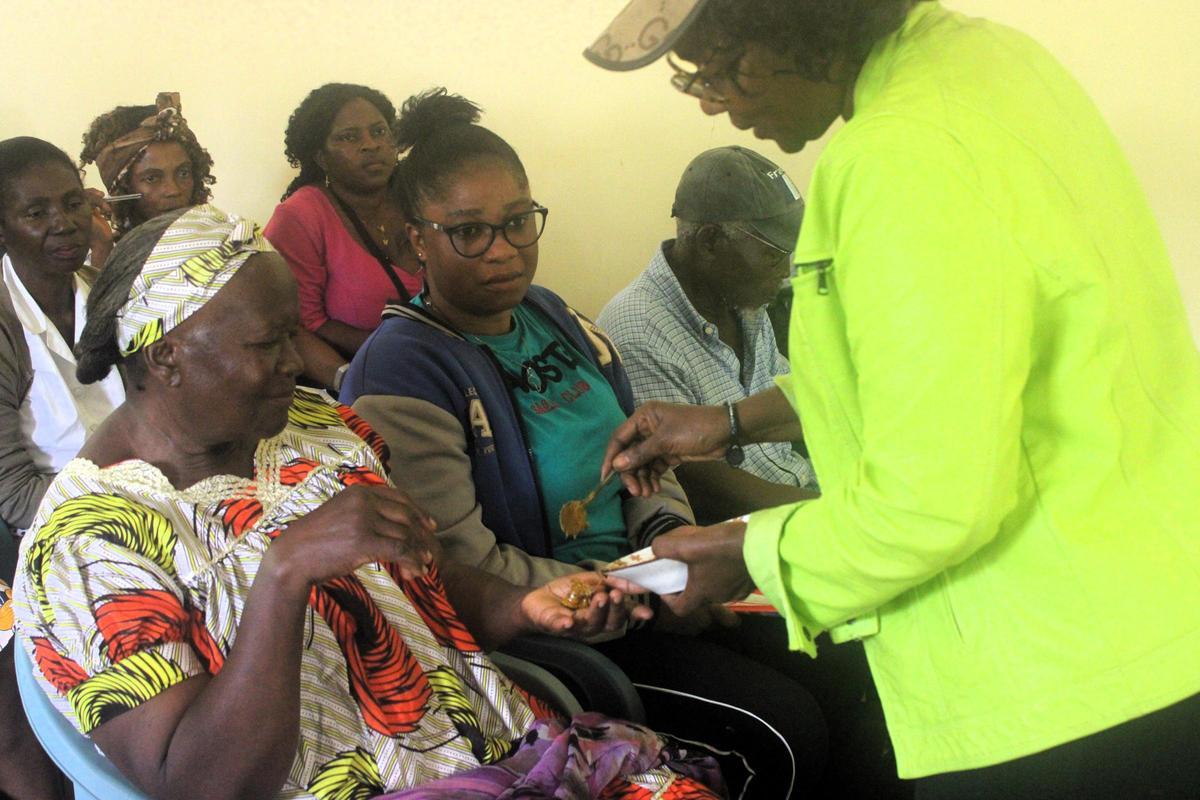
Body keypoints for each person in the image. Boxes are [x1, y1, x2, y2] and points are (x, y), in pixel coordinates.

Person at [586, 1, 1200, 797]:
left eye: (727, 63)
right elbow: (949, 362)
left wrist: (748, 555)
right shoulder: (993, 65)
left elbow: (932, 501)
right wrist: (733, 420)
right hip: (1146, 607)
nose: (712, 101)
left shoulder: (898, 156)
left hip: (1053, 676)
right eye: (696, 75)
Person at [10, 204, 724, 800]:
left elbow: (418, 579)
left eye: (293, 333)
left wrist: (521, 606)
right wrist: (285, 572)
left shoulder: (307, 426)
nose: (297, 361)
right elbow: (198, 784)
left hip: (506, 757)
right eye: (268, 343)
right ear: (165, 354)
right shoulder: (90, 541)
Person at [341, 88, 828, 799]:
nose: (504, 250)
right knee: (784, 730)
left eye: (518, 222)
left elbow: (644, 455)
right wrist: (638, 589)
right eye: (470, 232)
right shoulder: (402, 369)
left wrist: (670, 540)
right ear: (416, 238)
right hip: (559, 636)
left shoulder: (552, 316)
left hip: (650, 586)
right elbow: (462, 568)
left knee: (842, 660)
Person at [0, 136, 126, 799]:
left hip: (121, 504)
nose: (64, 224)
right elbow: (13, 492)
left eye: (73, 203)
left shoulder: (101, 293)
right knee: (14, 709)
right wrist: (129, 498)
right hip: (25, 531)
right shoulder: (5, 322)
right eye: (36, 212)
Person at [598, 145, 817, 524]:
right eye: (774, 255)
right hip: (750, 528)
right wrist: (833, 515)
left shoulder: (743, 299)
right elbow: (703, 490)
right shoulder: (638, 330)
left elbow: (797, 410)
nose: (786, 271)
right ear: (710, 241)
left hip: (805, 494)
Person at [265, 83, 424, 393]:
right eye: (349, 137)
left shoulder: (419, 198)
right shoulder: (300, 216)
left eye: (379, 132)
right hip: (354, 381)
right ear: (321, 157)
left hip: (442, 365)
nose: (370, 145)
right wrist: (354, 379)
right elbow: (297, 324)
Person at [79, 92, 215, 268]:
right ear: (122, 188)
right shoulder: (93, 258)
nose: (173, 190)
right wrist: (102, 248)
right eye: (152, 178)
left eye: (183, 173)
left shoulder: (228, 240)